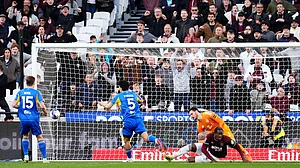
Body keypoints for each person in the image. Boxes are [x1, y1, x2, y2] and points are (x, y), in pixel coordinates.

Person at [99, 80, 167, 162]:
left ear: (120, 88)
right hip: (138, 119)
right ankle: (157, 141)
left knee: (126, 140)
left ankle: (129, 158)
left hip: (128, 121)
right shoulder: (133, 94)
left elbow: (107, 107)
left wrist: (101, 103)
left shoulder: (119, 96)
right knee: (146, 138)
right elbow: (141, 100)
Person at [185, 107, 252, 160]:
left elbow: (220, 121)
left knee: (233, 143)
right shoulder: (199, 124)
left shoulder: (208, 114)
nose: (191, 116)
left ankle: (245, 154)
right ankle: (209, 155)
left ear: (196, 111)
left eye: (191, 114)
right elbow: (200, 136)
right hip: (215, 135)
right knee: (201, 136)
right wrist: (201, 146)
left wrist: (220, 131)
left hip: (223, 130)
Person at [11, 76, 49, 163]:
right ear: (34, 83)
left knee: (25, 136)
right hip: (33, 118)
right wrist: (45, 112)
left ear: (26, 82)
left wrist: (21, 107)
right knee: (39, 136)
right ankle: (44, 158)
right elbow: (42, 106)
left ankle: (26, 156)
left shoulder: (20, 92)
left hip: (23, 118)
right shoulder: (36, 93)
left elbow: (13, 105)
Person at [164, 127, 252, 163]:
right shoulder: (210, 136)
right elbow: (203, 149)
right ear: (214, 134)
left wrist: (243, 158)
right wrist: (211, 160)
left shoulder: (226, 139)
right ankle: (172, 157)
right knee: (191, 146)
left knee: (189, 160)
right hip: (208, 152)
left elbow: (237, 146)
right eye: (218, 134)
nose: (220, 136)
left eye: (221, 134)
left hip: (215, 155)